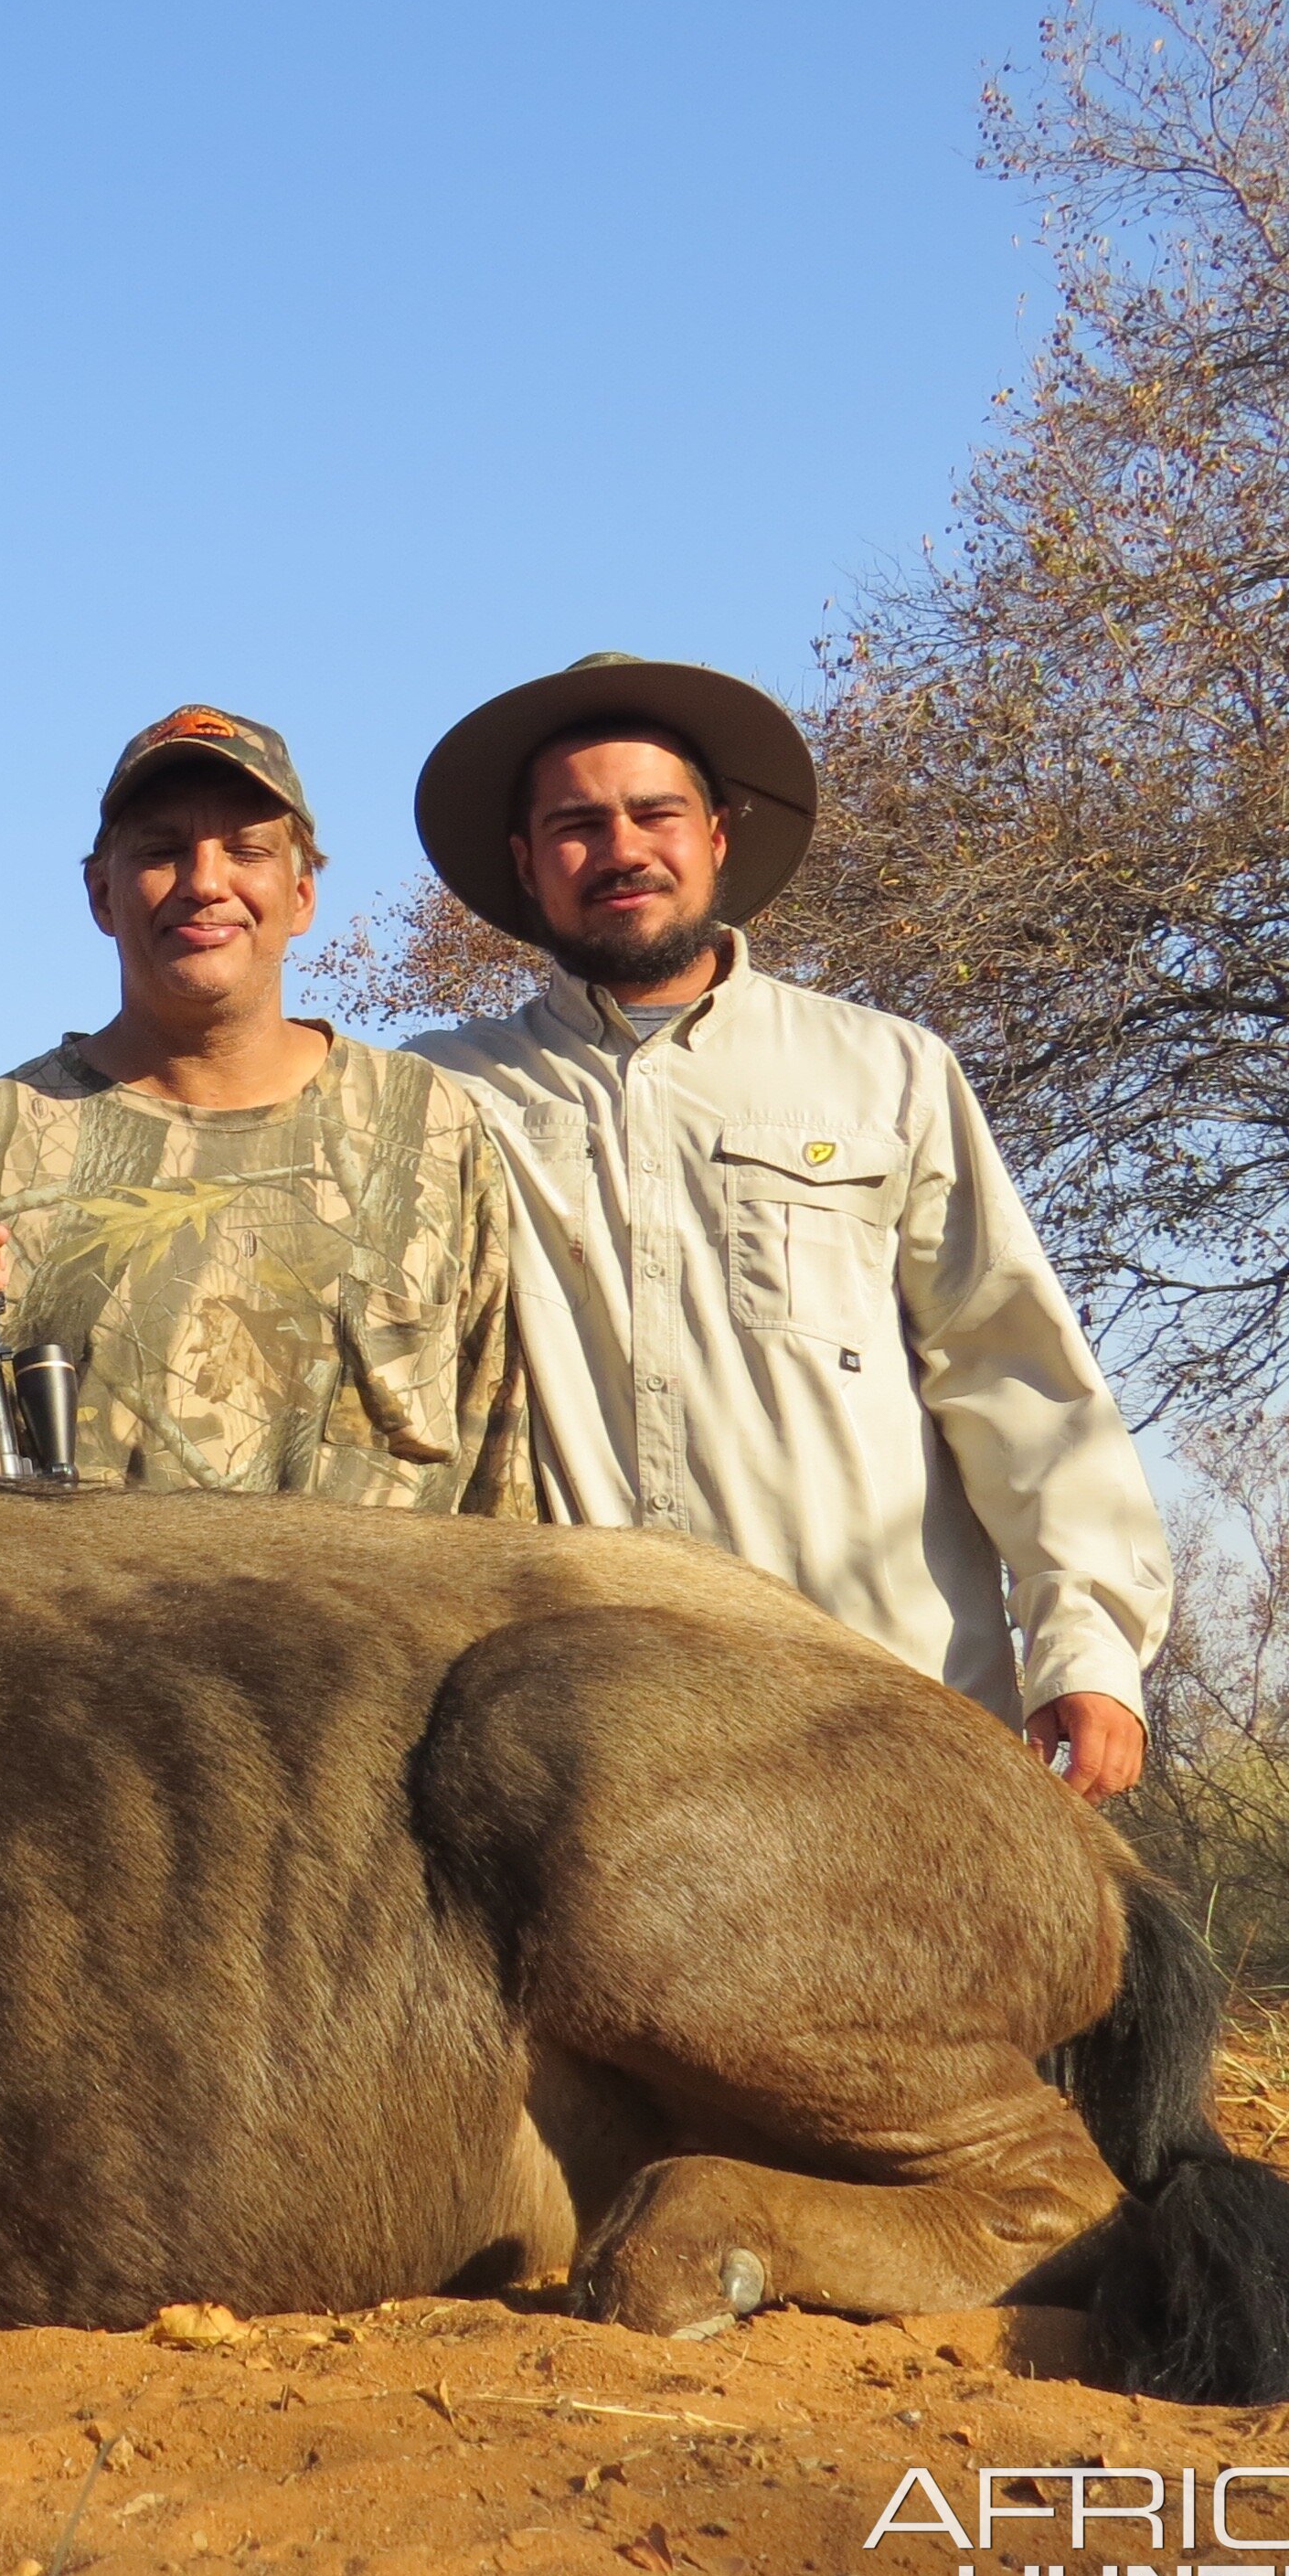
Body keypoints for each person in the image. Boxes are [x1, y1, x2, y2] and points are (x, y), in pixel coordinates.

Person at [402, 653, 1170, 1796]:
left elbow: (1009, 1366)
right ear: (526, 864)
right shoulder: (434, 1095)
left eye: (654, 811)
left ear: (716, 834)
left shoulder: (885, 1071)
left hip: (886, 1709)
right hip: (592, 1747)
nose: (619, 849)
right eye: (574, 825)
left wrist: (1087, 1643)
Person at [0, 703, 531, 1514]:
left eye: (246, 850)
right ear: (102, 894)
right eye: (161, 851)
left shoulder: (430, 1125)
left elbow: (503, 1461)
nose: (206, 883)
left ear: (302, 893)